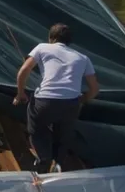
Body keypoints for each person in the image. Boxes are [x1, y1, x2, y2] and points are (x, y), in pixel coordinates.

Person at [13, 23, 99, 172]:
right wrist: (81, 100)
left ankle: (44, 158)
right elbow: (95, 89)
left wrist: (20, 93)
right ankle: (58, 162)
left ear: (50, 38)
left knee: (37, 128)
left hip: (45, 101)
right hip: (71, 104)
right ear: (69, 41)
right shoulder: (83, 58)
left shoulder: (42, 47)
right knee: (63, 134)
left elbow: (23, 71)